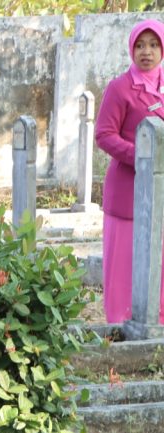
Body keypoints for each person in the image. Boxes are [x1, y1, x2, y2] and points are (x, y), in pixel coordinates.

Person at [96, 19, 164, 324]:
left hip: (160, 191)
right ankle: (119, 325)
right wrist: (142, 157)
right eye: (140, 45)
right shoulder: (120, 88)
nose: (146, 52)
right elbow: (104, 134)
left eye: (153, 45)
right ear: (131, 49)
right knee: (123, 264)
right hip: (128, 192)